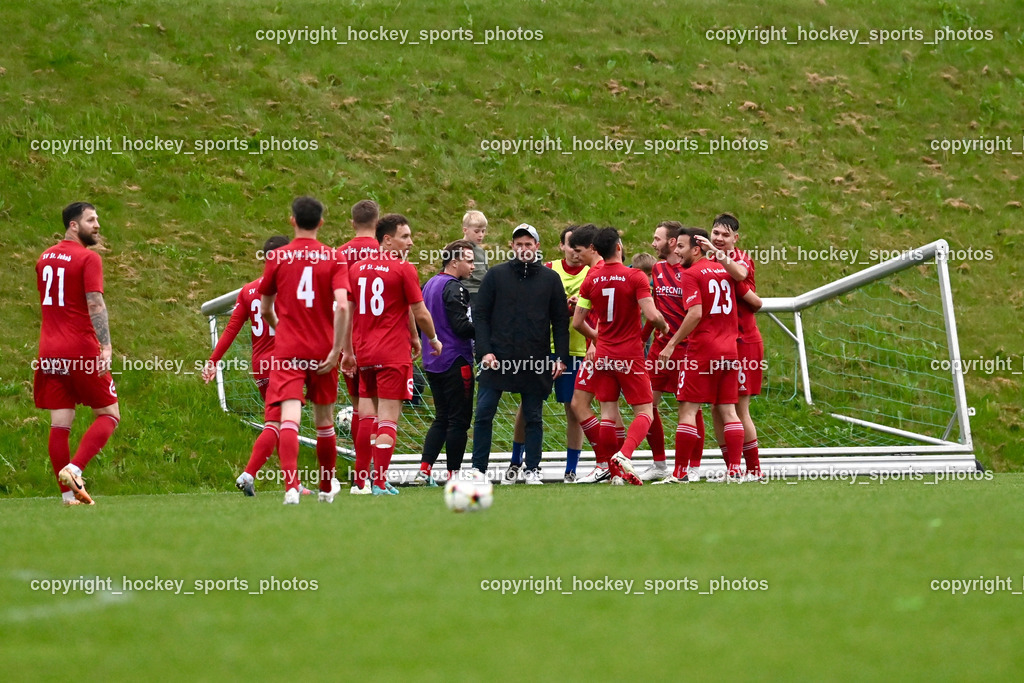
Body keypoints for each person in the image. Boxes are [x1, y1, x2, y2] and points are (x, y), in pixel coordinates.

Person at [202, 235, 316, 496]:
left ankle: (266, 477)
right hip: (286, 364)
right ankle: (277, 481)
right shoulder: (295, 287)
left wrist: (212, 361)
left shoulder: (249, 290)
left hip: (261, 367)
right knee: (284, 423)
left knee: (274, 423)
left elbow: (231, 329)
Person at [259, 196, 350, 504]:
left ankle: (290, 488)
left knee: (289, 417)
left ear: (292, 221)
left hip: (289, 349)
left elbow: (265, 308)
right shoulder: (334, 258)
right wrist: (337, 348)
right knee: (324, 421)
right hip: (323, 349)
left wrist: (281, 325)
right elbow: (342, 306)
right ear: (321, 223)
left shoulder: (278, 258)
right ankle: (326, 489)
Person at [343, 213, 441, 495]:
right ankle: (380, 482)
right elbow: (419, 310)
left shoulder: (356, 269)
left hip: (364, 352)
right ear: (387, 240)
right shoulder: (403, 269)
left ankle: (360, 481)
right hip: (391, 353)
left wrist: (347, 350)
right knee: (388, 418)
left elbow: (348, 311)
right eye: (405, 236)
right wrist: (432, 339)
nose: (411, 242)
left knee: (366, 415)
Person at [34, 202, 120, 505]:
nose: (97, 225)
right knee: (109, 414)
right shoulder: (88, 258)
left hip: (49, 351)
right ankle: (75, 468)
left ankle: (68, 497)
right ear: (73, 225)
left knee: (60, 423)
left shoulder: (44, 258)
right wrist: (106, 346)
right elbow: (95, 303)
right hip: (80, 348)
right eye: (91, 220)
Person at [658, 228, 760, 483]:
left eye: (681, 246)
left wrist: (671, 344)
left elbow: (694, 313)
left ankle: (680, 472)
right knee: (728, 410)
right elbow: (749, 290)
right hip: (729, 349)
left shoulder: (691, 274)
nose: (676, 251)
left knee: (688, 409)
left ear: (695, 249)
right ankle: (735, 470)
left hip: (702, 351)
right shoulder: (725, 270)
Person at [471, 224, 569, 483]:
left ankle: (532, 468)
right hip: (497, 358)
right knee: (483, 412)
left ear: (537, 247)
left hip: (535, 358)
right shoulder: (496, 275)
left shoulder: (550, 279)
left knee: (533, 416)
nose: (523, 248)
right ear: (511, 246)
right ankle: (478, 469)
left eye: (529, 244)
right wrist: (485, 352)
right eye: (519, 244)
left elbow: (560, 321)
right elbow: (480, 315)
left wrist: (560, 357)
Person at [573, 227, 669, 486]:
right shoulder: (635, 276)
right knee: (645, 411)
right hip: (629, 354)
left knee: (607, 412)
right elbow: (651, 315)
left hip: (603, 354)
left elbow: (577, 322)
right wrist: (663, 326)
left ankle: (614, 474)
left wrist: (596, 336)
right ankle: (624, 456)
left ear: (597, 250)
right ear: (618, 247)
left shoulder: (590, 280)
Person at [506, 226, 590, 484]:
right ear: (560, 246)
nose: (575, 253)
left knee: (574, 409)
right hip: (542, 349)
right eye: (571, 247)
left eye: (580, 248)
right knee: (528, 406)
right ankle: (516, 461)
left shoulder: (592, 273)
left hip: (577, 351)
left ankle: (571, 468)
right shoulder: (547, 270)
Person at [702, 213, 764, 480]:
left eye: (725, 235)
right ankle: (732, 467)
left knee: (738, 407)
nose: (719, 238)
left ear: (735, 239)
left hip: (743, 341)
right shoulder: (707, 260)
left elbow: (753, 298)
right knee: (716, 407)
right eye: (716, 233)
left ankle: (753, 469)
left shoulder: (738, 259)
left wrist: (716, 257)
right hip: (719, 344)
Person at [414, 239, 476, 486]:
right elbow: (461, 327)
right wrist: (485, 329)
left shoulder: (428, 284)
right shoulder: (455, 288)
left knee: (441, 417)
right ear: (454, 261)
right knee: (459, 420)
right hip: (455, 359)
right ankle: (454, 475)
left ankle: (424, 470)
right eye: (469, 261)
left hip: (432, 361)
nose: (473, 266)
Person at [566, 225, 625, 484]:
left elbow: (599, 316)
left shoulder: (598, 272)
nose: (575, 255)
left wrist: (594, 341)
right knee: (609, 408)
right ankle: (617, 462)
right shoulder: (602, 270)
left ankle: (606, 462)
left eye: (579, 250)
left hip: (601, 349)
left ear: (592, 248)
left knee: (583, 404)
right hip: (616, 348)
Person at [637, 221, 689, 481]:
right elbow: (654, 310)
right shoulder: (657, 269)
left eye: (657, 239)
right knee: (647, 403)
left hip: (688, 349)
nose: (652, 243)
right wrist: (642, 339)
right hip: (660, 348)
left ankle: (691, 467)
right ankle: (659, 464)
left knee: (689, 408)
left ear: (671, 242)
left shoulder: (690, 270)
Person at [336, 199, 381, 460]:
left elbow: (340, 303)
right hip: (383, 339)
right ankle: (378, 466)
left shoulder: (340, 254)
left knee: (358, 408)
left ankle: (362, 463)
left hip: (350, 340)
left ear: (352, 223)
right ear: (377, 223)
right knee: (383, 408)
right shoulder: (385, 251)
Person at [461, 210, 489, 305]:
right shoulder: (457, 249)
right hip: (466, 291)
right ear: (465, 230)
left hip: (482, 292)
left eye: (483, 231)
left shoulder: (481, 251)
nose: (481, 235)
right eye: (476, 231)